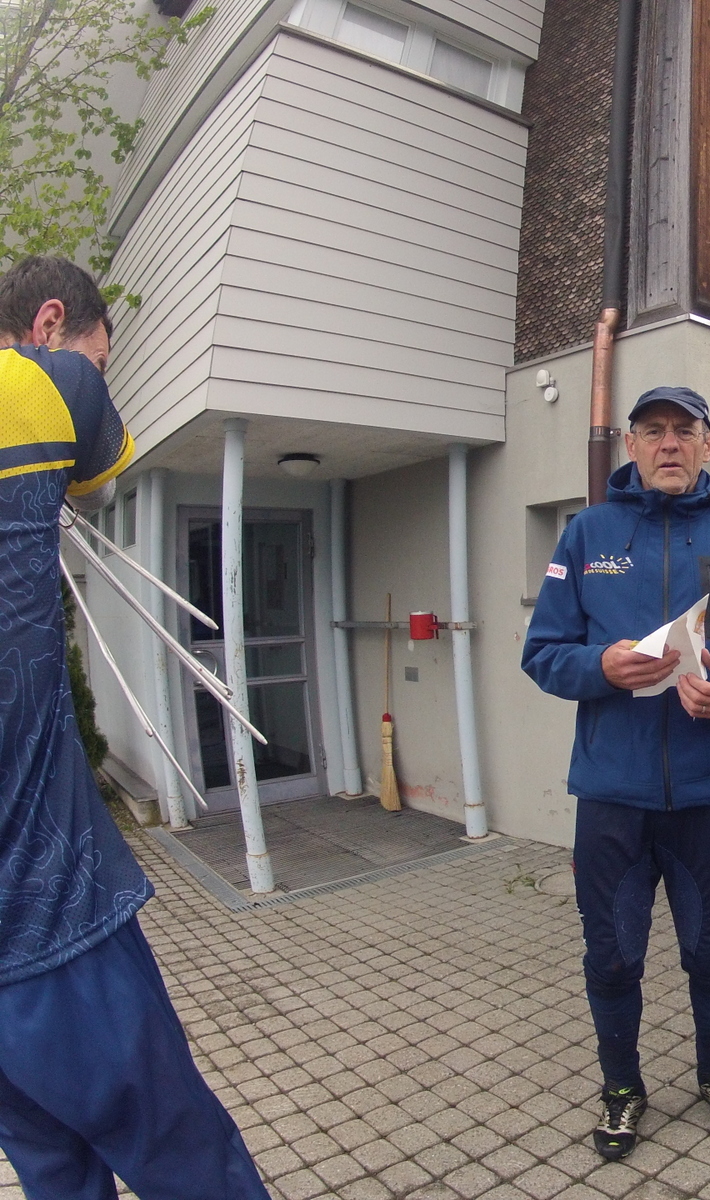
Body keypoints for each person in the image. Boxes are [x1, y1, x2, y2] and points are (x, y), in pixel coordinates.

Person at [0, 256, 272, 1198]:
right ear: (48, 324)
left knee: (56, 1174)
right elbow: (101, 478)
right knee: (189, 1163)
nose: (97, 377)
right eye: (100, 358)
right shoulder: (44, 383)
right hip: (48, 924)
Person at [522, 385, 710, 1161]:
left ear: (709, 444)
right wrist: (601, 667)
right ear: (632, 445)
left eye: (684, 430)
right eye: (653, 431)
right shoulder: (587, 534)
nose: (669, 444)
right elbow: (543, 653)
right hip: (613, 794)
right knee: (612, 954)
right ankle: (622, 1089)